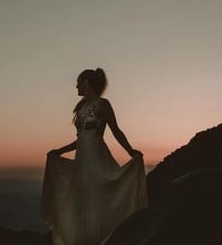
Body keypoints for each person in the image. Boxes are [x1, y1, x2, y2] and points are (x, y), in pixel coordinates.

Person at [41, 68, 149, 245]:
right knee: (82, 201)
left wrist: (130, 151)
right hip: (82, 160)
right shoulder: (81, 107)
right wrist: (59, 151)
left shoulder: (102, 104)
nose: (76, 86)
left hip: (97, 157)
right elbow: (81, 139)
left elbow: (115, 131)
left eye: (78, 82)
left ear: (86, 83)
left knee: (98, 197)